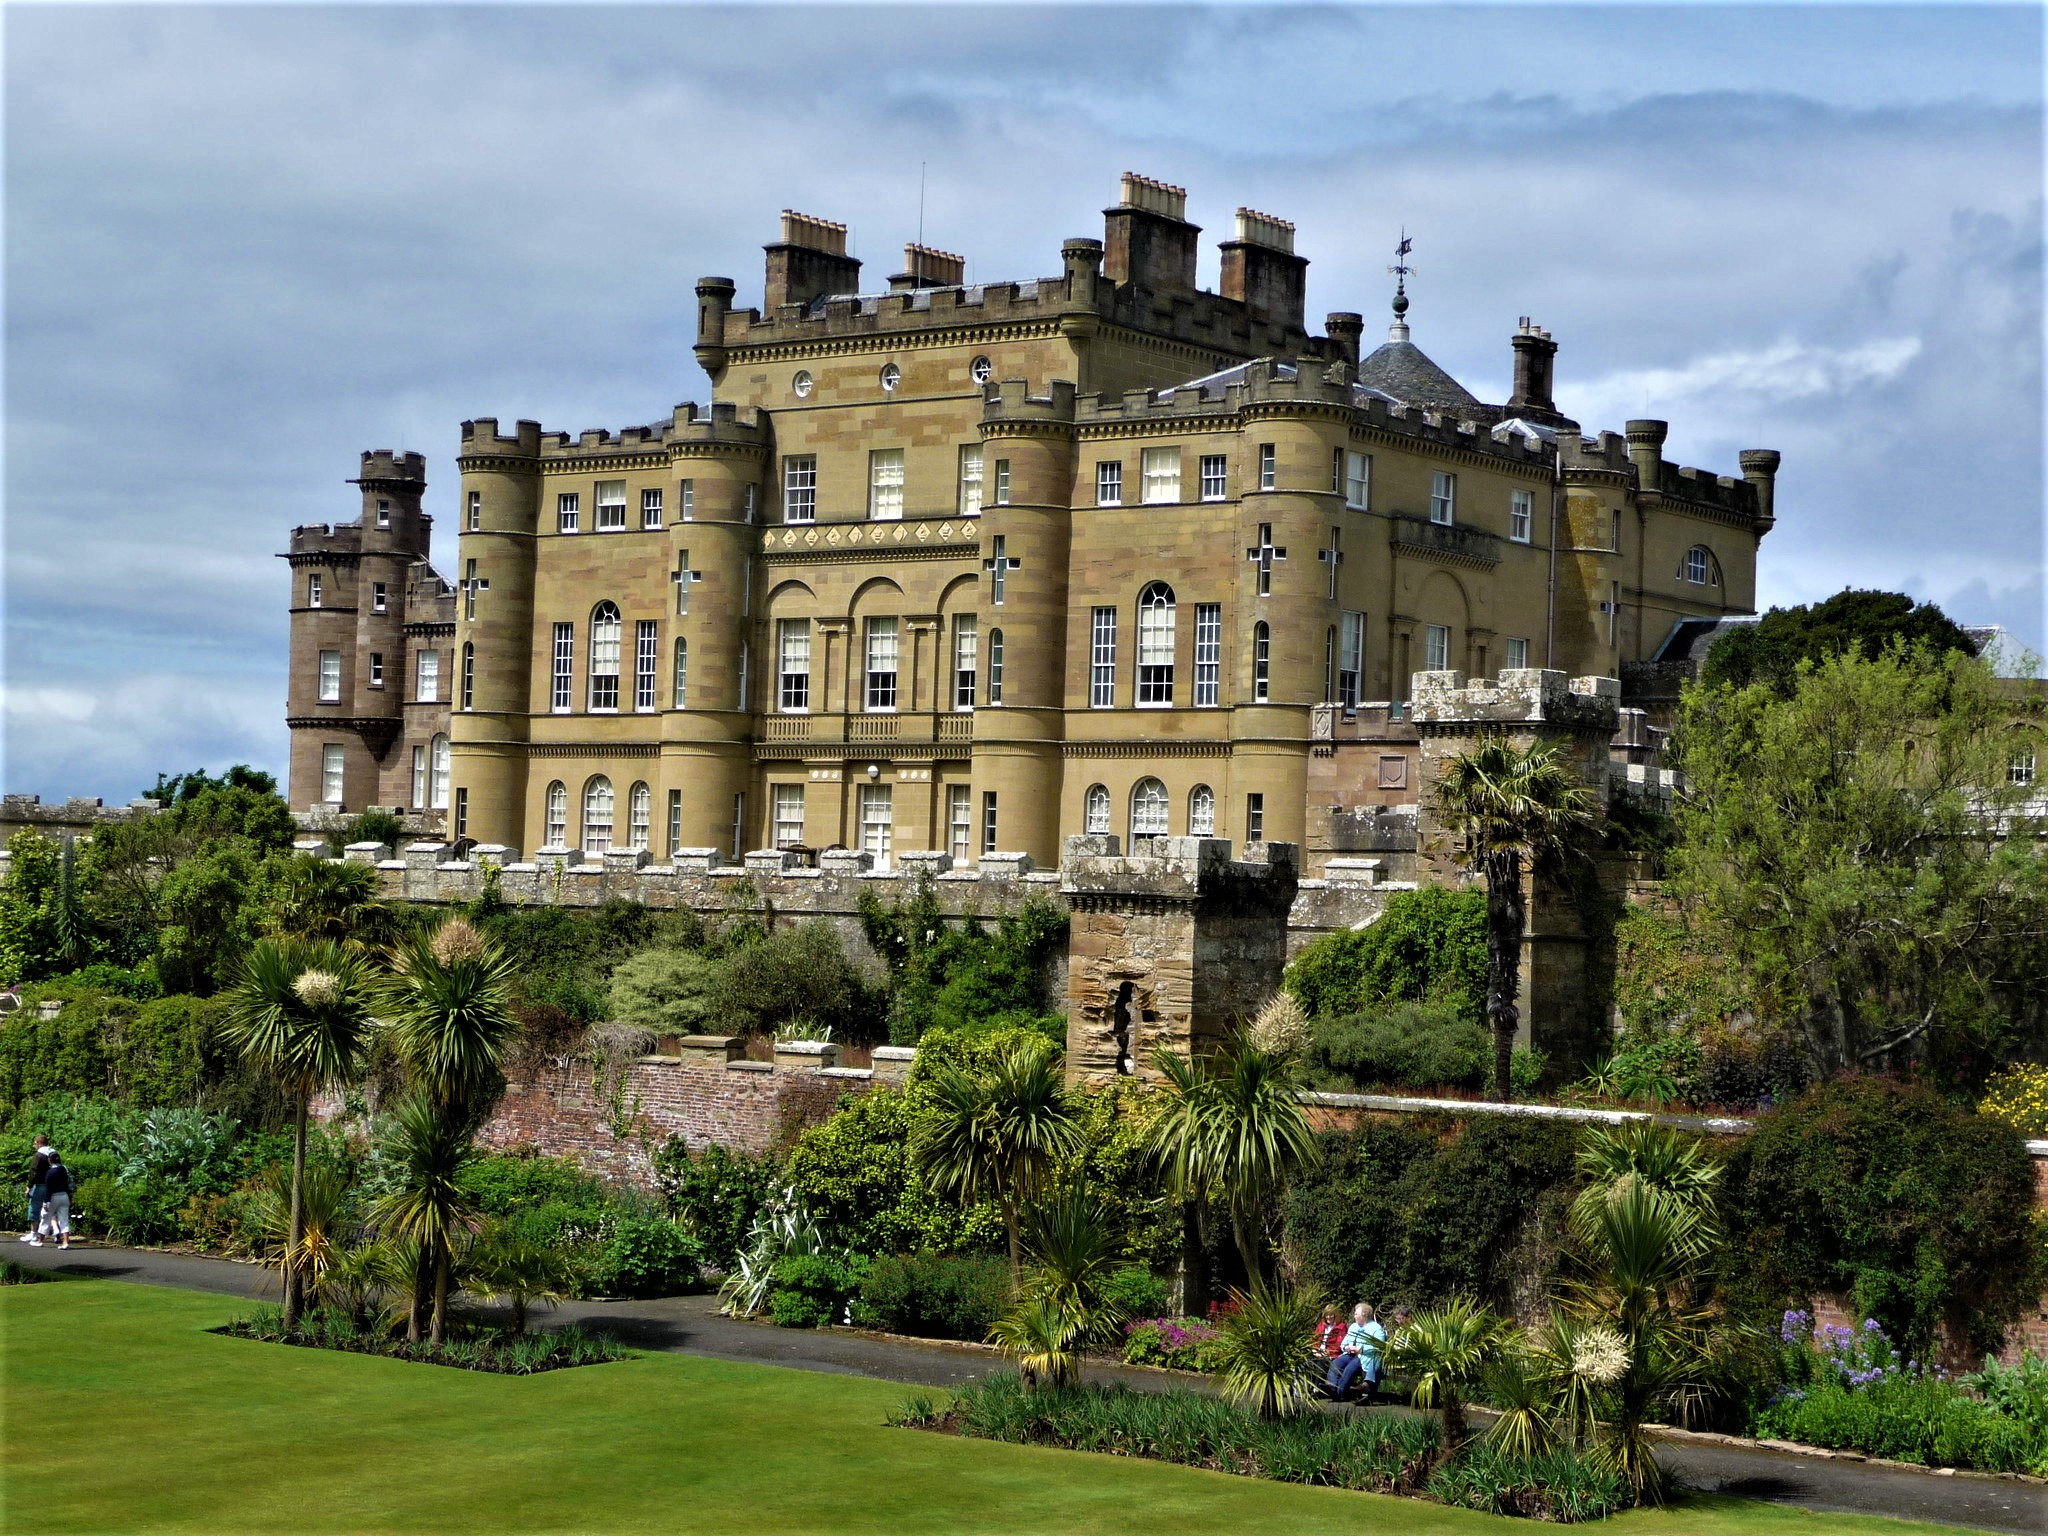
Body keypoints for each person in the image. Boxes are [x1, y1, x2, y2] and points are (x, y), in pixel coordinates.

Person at [1323, 1303, 1385, 1400]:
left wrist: (1361, 1349)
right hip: (1349, 1354)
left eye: (1356, 1314)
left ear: (1364, 1315)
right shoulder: (1353, 1327)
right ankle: (1332, 1388)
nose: (1354, 1316)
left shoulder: (1376, 1329)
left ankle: (1339, 1393)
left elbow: (1379, 1347)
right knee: (1336, 1363)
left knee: (1350, 1368)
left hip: (1364, 1356)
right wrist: (1346, 1347)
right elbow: (1343, 1343)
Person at [35, 1151, 72, 1249]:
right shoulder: (63, 1169)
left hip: (53, 1197)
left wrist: (46, 1202)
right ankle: (65, 1242)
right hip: (64, 1196)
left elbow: (49, 1188)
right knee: (64, 1220)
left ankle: (40, 1241)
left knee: (45, 1218)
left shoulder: (50, 1172)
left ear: (49, 1160)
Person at [22, 1134, 51, 1242]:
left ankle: (33, 1233)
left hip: (39, 1185)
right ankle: (54, 1234)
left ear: (39, 1143)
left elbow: (33, 1172)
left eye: (35, 1143)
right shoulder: (53, 1153)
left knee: (34, 1208)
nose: (34, 1146)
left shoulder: (39, 1155)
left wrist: (29, 1187)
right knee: (49, 1210)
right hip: (51, 1186)